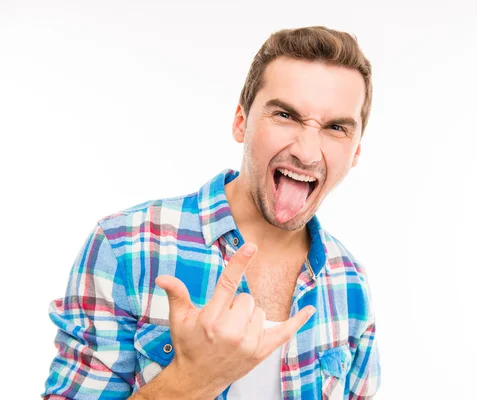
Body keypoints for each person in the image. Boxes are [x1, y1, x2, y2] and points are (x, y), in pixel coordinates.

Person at [43, 25, 380, 400]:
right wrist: (193, 380)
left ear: (356, 153)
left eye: (336, 127)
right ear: (241, 122)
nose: (307, 152)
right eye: (286, 115)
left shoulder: (350, 282)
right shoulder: (126, 247)